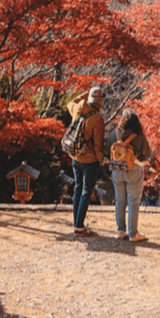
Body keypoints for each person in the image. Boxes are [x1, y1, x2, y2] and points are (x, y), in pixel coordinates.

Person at [68, 85, 105, 236]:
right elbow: (98, 146)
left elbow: (70, 102)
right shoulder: (97, 119)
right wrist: (103, 160)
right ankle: (79, 226)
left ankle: (77, 223)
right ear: (99, 102)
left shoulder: (77, 109)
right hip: (89, 160)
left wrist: (84, 95)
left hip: (75, 157)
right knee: (86, 191)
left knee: (78, 188)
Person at [110, 109, 152, 242]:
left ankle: (120, 231)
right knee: (133, 201)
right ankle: (133, 233)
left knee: (119, 200)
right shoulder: (138, 136)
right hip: (133, 169)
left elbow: (107, 150)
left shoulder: (114, 134)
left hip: (117, 170)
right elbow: (147, 154)